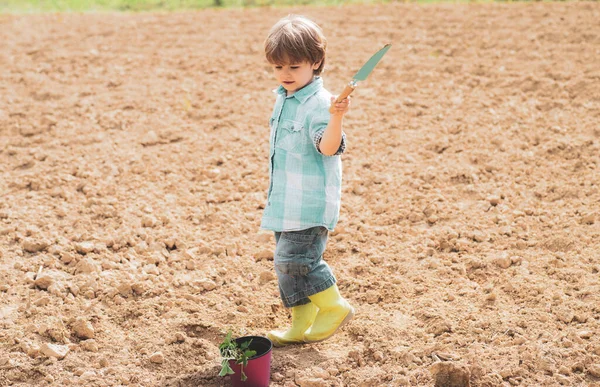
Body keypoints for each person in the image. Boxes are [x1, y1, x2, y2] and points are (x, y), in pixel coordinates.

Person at [261, 14, 354, 347]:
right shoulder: (284, 97)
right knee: (286, 268)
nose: (285, 74)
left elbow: (328, 148)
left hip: (310, 202)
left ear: (315, 63)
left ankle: (334, 306)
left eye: (294, 67)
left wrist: (337, 119)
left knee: (296, 261)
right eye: (278, 67)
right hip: (285, 200)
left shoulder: (320, 104)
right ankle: (301, 322)